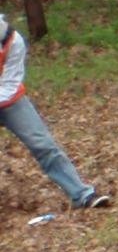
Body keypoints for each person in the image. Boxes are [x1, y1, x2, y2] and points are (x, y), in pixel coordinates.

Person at [0, 11, 111, 211]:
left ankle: (82, 195)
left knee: (44, 145)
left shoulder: (14, 42)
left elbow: (9, 84)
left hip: (11, 101)